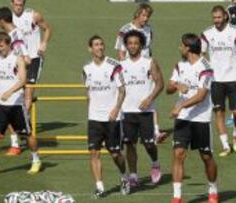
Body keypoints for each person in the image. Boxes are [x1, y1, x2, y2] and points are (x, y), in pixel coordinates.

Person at [0, 32, 41, 175]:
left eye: (1, 46)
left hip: (16, 105)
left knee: (27, 135)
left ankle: (36, 160)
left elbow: (23, 80)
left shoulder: (18, 60)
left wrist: (9, 92)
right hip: (0, 105)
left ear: (8, 45)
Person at [167, 33, 218, 203]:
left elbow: (201, 96)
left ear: (188, 48)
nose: (179, 48)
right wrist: (175, 86)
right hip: (183, 119)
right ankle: (177, 197)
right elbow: (169, 88)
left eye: (181, 45)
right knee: (179, 154)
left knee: (206, 157)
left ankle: (213, 188)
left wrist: (180, 106)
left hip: (201, 119)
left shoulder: (206, 68)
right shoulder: (179, 65)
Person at [82, 35, 130, 198]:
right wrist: (89, 113)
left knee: (115, 154)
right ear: (90, 49)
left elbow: (122, 90)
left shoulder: (114, 66)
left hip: (112, 118)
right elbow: (88, 92)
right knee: (94, 153)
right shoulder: (86, 68)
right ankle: (100, 186)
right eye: (96, 45)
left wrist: (116, 109)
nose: (100, 47)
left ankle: (124, 177)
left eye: (102, 44)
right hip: (94, 118)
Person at [114, 3, 167, 143]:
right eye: (143, 15)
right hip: (129, 69)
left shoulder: (149, 29)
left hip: (145, 68)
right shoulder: (125, 30)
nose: (146, 19)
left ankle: (155, 131)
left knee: (151, 97)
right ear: (137, 14)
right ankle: (120, 127)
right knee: (125, 97)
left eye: (148, 16)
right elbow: (120, 51)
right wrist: (124, 69)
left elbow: (148, 50)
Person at [201, 5, 236, 156]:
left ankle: (235, 133)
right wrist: (208, 70)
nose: (216, 21)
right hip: (216, 80)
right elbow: (201, 54)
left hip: (234, 79)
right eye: (214, 18)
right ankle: (225, 146)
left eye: (219, 17)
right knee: (219, 112)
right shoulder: (207, 34)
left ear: (226, 17)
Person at [0, 6, 31, 156]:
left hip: (15, 77)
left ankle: (14, 143)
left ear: (1, 21)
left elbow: (26, 59)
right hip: (5, 72)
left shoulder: (16, 36)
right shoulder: (9, 34)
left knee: (8, 105)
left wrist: (16, 70)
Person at [120, 30, 164, 187]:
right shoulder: (120, 65)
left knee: (148, 143)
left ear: (141, 45)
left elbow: (160, 83)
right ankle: (133, 175)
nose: (132, 46)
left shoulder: (149, 62)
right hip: (127, 111)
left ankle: (155, 163)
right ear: (126, 45)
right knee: (129, 144)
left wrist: (149, 99)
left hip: (146, 111)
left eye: (136, 43)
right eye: (130, 43)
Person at [7, 0, 51, 155]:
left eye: (21, 4)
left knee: (28, 94)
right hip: (18, 60)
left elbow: (47, 29)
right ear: (11, 3)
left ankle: (20, 127)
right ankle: (17, 131)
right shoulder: (8, 18)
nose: (18, 7)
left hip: (34, 59)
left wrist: (44, 43)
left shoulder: (33, 15)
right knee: (12, 95)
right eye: (16, 4)